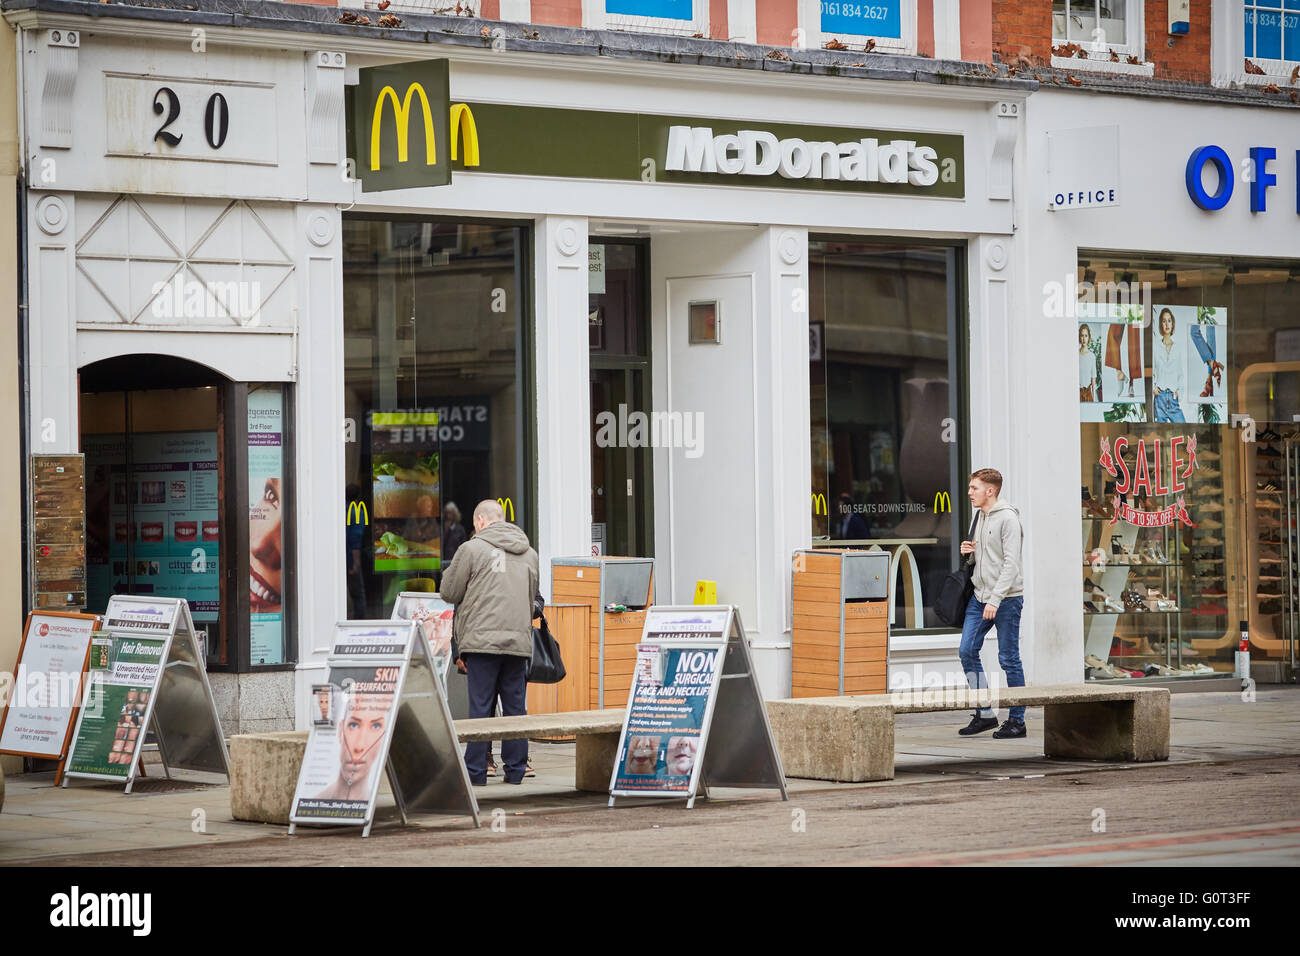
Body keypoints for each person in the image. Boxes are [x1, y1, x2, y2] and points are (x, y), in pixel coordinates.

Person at [440, 499, 539, 786]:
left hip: (481, 641)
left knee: (480, 707)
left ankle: (476, 773)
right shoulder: (529, 553)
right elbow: (532, 597)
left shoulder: (470, 549)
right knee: (515, 708)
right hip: (518, 641)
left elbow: (449, 591)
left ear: (480, 521)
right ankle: (517, 770)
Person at [957, 468, 1027, 739]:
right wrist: (970, 555)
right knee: (966, 650)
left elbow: (1011, 564)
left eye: (974, 488)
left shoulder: (1008, 518)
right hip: (979, 597)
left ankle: (1017, 721)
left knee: (1009, 659)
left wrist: (996, 600)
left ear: (991, 490)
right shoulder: (980, 516)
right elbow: (987, 559)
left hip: (1006, 600)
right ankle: (985, 713)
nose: (969, 493)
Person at [313, 687, 394, 800]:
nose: (359, 746)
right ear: (341, 730)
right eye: (354, 725)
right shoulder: (314, 802)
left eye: (376, 726)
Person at [1152, 308, 1186, 423]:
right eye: (1164, 321)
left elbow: (1181, 373)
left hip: (1172, 398)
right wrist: (1153, 388)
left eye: (1169, 320)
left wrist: (1179, 392)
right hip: (1159, 398)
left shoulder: (1178, 347)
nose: (1167, 324)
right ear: (1161, 324)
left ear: (1173, 324)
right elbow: (1151, 370)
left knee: (1184, 428)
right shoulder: (1155, 347)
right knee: (1160, 435)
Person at [1078, 324, 1097, 402]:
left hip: (1088, 393)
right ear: (1079, 337)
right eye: (1082, 336)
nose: (1084, 339)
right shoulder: (1076, 355)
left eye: (1086, 336)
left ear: (1089, 337)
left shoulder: (1091, 356)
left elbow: (1093, 378)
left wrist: (1094, 398)